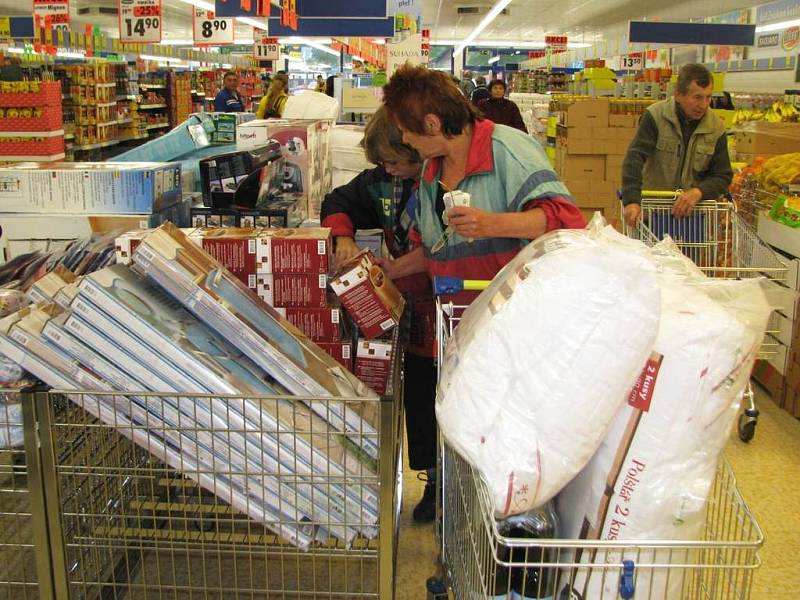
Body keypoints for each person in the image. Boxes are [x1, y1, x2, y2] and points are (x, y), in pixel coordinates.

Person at [380, 64, 585, 308]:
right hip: (456, 320)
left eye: (404, 131)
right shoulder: (430, 172)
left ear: (432, 124)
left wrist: (489, 224)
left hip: (510, 318)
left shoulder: (510, 150)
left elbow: (568, 224)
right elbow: (438, 250)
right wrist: (394, 269)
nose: (404, 139)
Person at [320, 107, 439, 522]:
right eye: (383, 163)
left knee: (450, 398)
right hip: (411, 307)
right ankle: (432, 480)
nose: (387, 170)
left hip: (450, 304)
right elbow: (339, 200)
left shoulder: (443, 182)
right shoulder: (382, 182)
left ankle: (452, 482)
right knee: (421, 399)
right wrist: (343, 237)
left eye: (393, 160)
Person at [621, 63, 733, 226]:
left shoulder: (716, 128)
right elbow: (634, 158)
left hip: (692, 219)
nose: (703, 105)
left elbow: (722, 175)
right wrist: (631, 200)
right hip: (652, 214)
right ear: (678, 95)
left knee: (688, 253)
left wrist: (699, 192)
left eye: (708, 97)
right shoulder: (656, 117)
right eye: (697, 97)